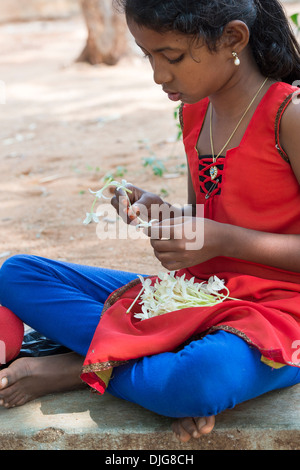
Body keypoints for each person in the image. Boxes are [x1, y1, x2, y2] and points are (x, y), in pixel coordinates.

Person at [0, 0, 300, 444]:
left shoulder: (288, 116)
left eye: (172, 56)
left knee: (196, 381)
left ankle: (81, 367)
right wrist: (162, 216)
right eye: (149, 55)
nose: (159, 75)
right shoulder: (196, 112)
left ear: (234, 39)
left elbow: (221, 235)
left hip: (281, 312)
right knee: (18, 274)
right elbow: (207, 221)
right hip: (202, 298)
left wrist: (223, 240)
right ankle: (128, 360)